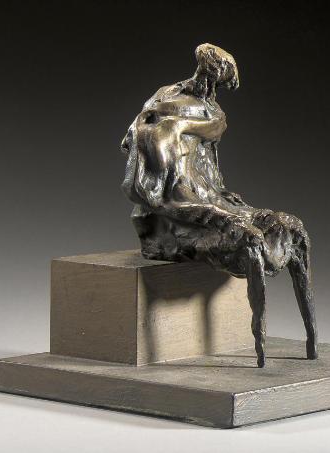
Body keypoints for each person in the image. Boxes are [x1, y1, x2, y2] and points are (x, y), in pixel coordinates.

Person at [121, 43, 317, 367]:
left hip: (213, 198)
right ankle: (260, 350)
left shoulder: (212, 114)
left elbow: (212, 173)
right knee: (251, 238)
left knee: (291, 225)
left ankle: (312, 340)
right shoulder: (162, 115)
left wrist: (225, 205)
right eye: (216, 76)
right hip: (180, 216)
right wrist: (219, 216)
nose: (213, 85)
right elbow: (157, 197)